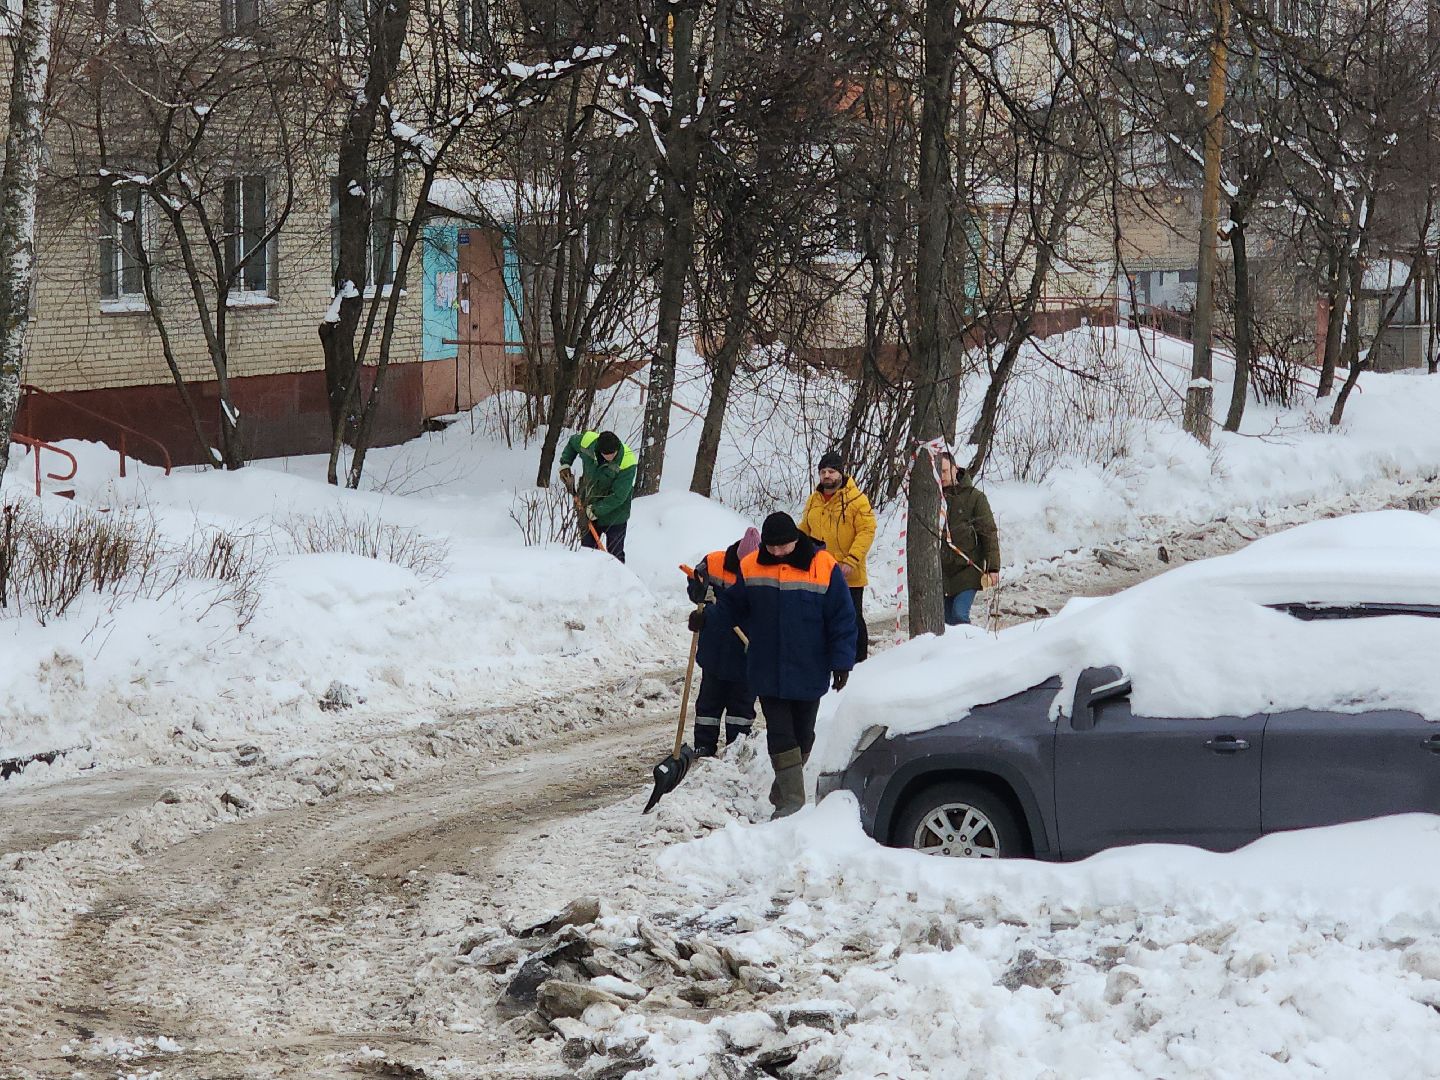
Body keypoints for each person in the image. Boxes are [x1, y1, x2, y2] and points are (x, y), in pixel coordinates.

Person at [697, 511, 857, 819]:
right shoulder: (751, 565)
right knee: (781, 734)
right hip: (767, 667)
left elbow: (842, 617)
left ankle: (783, 789)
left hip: (809, 666)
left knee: (804, 736)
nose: (777, 552)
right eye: (771, 547)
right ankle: (791, 805)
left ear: (795, 540)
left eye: (783, 546)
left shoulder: (824, 566)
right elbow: (733, 606)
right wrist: (707, 618)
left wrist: (842, 661)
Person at [686, 527, 762, 757]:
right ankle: (704, 746)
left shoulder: (765, 570)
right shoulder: (714, 562)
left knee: (741, 705)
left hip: (747, 650)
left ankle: (736, 747)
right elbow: (695, 583)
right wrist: (699, 597)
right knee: (709, 701)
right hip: (715, 645)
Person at [799, 450, 877, 663]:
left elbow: (867, 531)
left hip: (848, 573)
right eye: (823, 471)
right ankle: (831, 657)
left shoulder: (857, 500)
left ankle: (860, 660)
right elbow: (804, 530)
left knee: (852, 617)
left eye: (831, 471)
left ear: (841, 473)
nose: (827, 476)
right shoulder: (814, 500)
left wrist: (852, 560)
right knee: (824, 618)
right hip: (820, 573)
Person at [938, 451, 1001, 626]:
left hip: (968, 568)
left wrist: (993, 567)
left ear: (955, 468)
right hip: (942, 571)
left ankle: (970, 641)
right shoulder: (933, 499)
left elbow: (988, 532)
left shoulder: (975, 498)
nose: (942, 476)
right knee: (946, 621)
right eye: (938, 472)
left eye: (945, 471)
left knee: (959, 614)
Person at [558, 430, 637, 562]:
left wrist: (594, 511)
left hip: (615, 514)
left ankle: (617, 574)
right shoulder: (587, 442)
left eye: (613, 454)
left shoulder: (627, 461)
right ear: (599, 450)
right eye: (607, 454)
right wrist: (565, 464)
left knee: (615, 555)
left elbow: (619, 496)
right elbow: (572, 443)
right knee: (588, 552)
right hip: (586, 504)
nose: (610, 457)